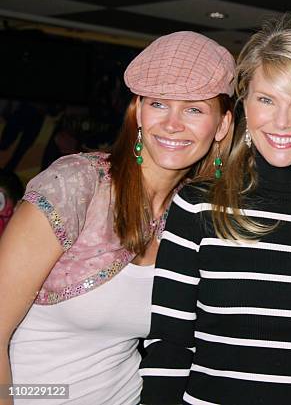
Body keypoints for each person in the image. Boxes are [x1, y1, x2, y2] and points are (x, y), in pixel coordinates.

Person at [140, 13, 291, 405]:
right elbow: (168, 347)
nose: (282, 122)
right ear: (245, 102)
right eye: (267, 99)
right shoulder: (198, 205)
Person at [0, 31, 235, 404]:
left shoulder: (194, 213)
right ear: (138, 111)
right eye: (159, 103)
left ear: (222, 125)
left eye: (194, 108)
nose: (172, 124)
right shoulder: (77, 185)